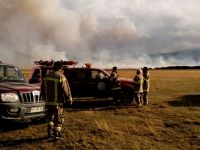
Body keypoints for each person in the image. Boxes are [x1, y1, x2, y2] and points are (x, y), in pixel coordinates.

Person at [41, 61, 73, 140]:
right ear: (61, 68)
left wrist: (44, 97)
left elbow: (42, 89)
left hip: (48, 102)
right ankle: (57, 134)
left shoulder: (46, 76)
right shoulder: (61, 76)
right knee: (58, 118)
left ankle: (50, 133)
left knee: (50, 118)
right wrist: (69, 99)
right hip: (57, 103)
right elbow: (66, 90)